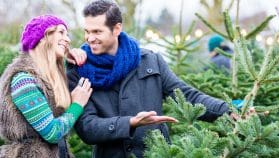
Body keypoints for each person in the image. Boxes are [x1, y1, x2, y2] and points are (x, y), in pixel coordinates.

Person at [67, 1, 232, 157]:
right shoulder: (79, 69)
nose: (89, 38)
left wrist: (229, 110)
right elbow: (87, 127)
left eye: (97, 31)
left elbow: (187, 96)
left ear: (116, 29)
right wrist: (130, 123)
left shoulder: (150, 60)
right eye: (87, 31)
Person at [0, 15, 92, 158]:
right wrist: (77, 105)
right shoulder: (23, 80)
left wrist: (71, 56)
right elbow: (52, 133)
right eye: (61, 32)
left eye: (67, 35)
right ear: (43, 37)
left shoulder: (46, 78)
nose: (68, 39)